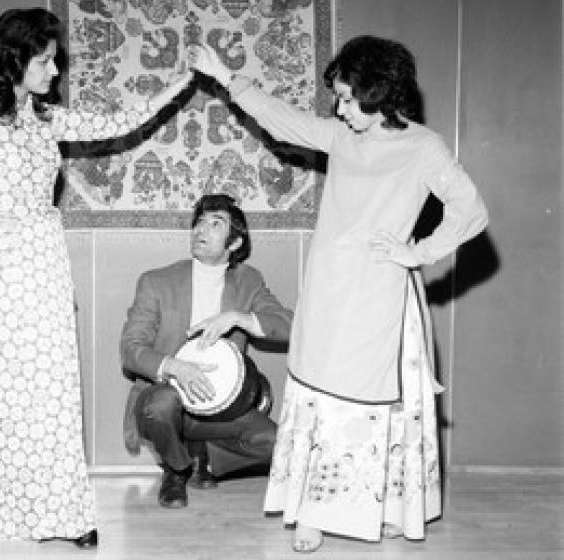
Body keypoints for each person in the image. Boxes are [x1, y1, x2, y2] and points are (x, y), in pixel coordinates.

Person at [0, 7, 192, 547]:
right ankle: (15, 508)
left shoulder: (46, 116)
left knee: (55, 392)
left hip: (47, 258)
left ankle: (60, 513)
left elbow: (115, 123)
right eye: (45, 61)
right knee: (14, 390)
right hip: (6, 264)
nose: (55, 71)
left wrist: (179, 84)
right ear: (16, 60)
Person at [189, 36, 488, 552]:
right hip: (328, 287)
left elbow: (472, 210)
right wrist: (225, 75)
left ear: (381, 96)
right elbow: (281, 118)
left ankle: (389, 507)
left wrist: (418, 252)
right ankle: (312, 512)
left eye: (349, 99)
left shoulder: (424, 149)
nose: (340, 108)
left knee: (373, 404)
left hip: (381, 295)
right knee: (319, 395)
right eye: (339, 98)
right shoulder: (342, 137)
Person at [120, 193, 293, 508]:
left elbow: (289, 324)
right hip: (166, 397)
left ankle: (205, 458)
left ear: (235, 243)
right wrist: (175, 367)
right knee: (160, 404)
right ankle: (177, 468)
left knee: (278, 446)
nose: (201, 229)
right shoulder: (156, 281)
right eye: (199, 222)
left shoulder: (249, 281)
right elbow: (130, 350)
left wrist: (239, 317)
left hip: (221, 410)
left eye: (215, 224)